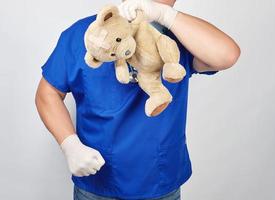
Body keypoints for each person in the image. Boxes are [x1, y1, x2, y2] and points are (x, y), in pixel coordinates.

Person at [35, 0, 240, 199]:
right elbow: (48, 93)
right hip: (97, 182)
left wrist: (164, 15)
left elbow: (226, 55)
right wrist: (70, 144)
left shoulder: (180, 39)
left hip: (160, 183)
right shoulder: (88, 35)